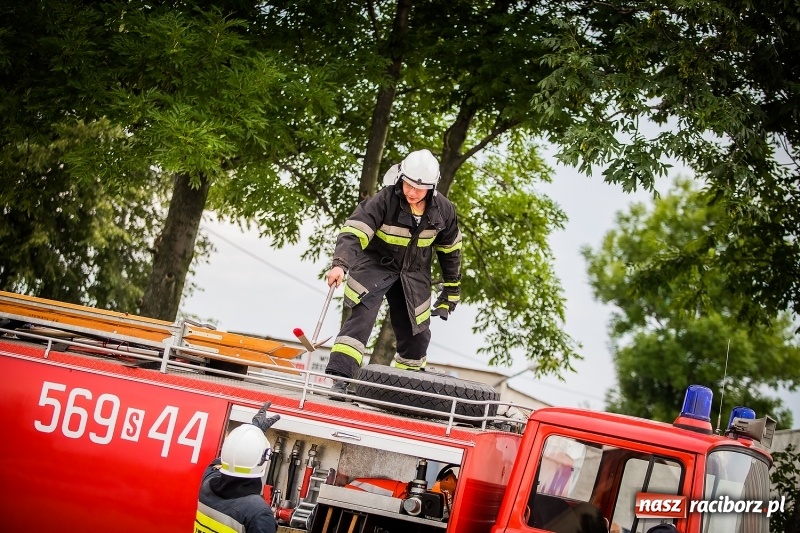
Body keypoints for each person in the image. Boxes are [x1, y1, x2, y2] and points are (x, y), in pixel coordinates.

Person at [325, 149, 462, 395]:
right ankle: (340, 380)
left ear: (432, 187)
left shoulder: (444, 211)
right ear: (401, 178)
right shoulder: (384, 200)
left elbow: (451, 250)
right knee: (361, 321)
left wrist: (451, 288)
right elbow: (354, 232)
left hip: (414, 273)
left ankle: (407, 387)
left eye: (418, 189)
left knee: (417, 331)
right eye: (408, 185)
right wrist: (340, 264)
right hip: (375, 266)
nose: (411, 192)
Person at [195, 403, 280, 533]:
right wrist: (256, 431)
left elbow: (222, 461)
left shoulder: (207, 483)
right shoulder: (259, 514)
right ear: (264, 459)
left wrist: (252, 432)